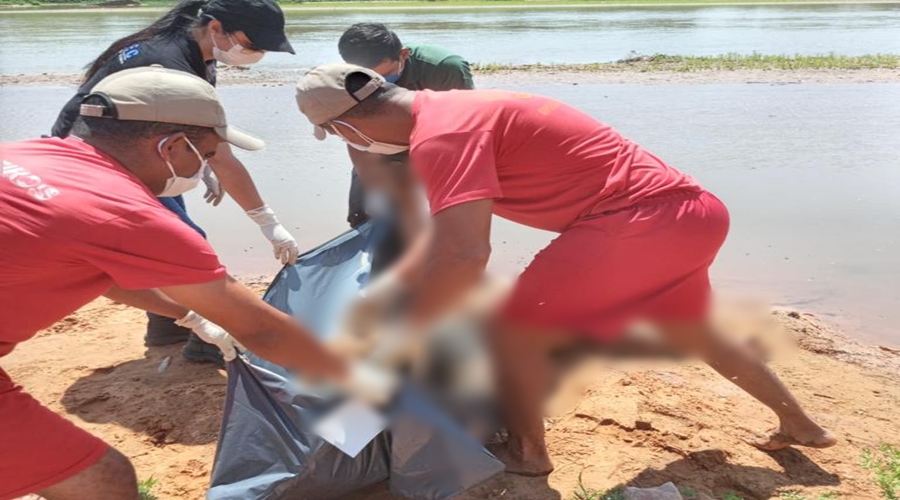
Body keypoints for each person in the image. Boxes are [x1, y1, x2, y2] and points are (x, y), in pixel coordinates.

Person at [294, 64, 838, 476]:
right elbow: (450, 236)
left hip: (634, 223)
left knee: (510, 332)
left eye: (342, 137)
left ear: (348, 126)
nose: (349, 147)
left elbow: (465, 254)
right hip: (692, 213)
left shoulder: (442, 137)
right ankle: (801, 425)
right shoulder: (454, 107)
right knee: (692, 328)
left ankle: (528, 453)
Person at [0, 67, 393, 499]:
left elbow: (102, 277)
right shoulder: (129, 214)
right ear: (169, 147)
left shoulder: (29, 154)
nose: (206, 168)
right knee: (102, 480)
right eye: (204, 155)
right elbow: (261, 328)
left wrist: (187, 314)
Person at [50, 0, 301, 363]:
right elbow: (223, 155)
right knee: (184, 246)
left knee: (172, 238)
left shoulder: (199, 54)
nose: (258, 53)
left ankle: (167, 326)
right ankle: (205, 340)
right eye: (255, 43)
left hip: (147, 149)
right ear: (216, 27)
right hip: (104, 155)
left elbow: (203, 132)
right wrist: (268, 222)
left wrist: (203, 161)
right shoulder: (167, 63)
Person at [337, 22, 474, 274]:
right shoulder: (346, 78)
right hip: (378, 143)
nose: (380, 83)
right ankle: (371, 277)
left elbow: (464, 126)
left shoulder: (444, 68)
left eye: (385, 74)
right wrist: (373, 184)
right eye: (370, 77)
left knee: (442, 218)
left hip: (437, 140)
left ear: (403, 55)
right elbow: (355, 138)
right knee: (362, 215)